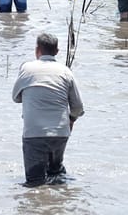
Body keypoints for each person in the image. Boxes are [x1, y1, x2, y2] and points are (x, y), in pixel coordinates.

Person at [13, 33, 84, 186]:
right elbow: (78, 107)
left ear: (37, 50)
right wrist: (71, 120)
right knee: (56, 176)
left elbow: (16, 97)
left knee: (34, 183)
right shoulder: (66, 72)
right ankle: (60, 203)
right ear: (57, 51)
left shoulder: (27, 68)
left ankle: (41, 206)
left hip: (34, 134)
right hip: (60, 133)